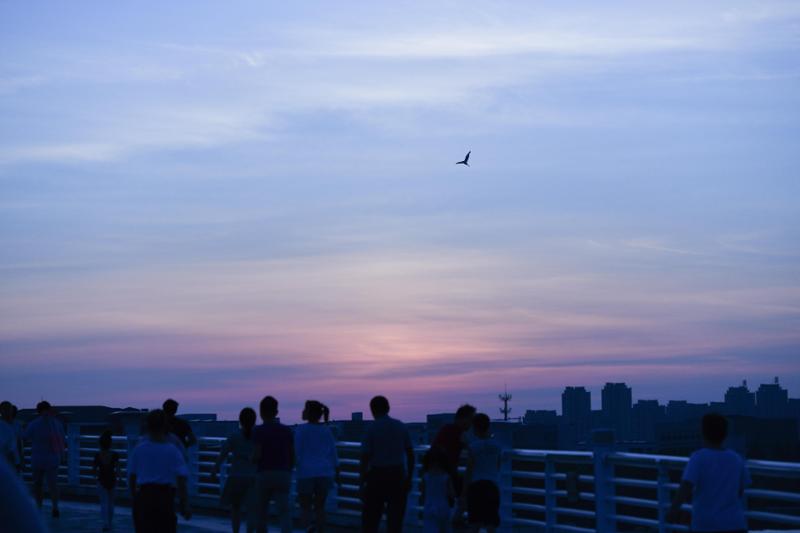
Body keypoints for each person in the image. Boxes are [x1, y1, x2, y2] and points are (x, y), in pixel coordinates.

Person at [667, 413, 750, 532]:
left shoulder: (698, 458)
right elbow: (740, 489)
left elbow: (686, 486)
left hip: (706, 524)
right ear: (725, 434)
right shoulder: (736, 458)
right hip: (735, 524)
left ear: (703, 433)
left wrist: (673, 510)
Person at [128, 409, 191, 533]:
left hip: (144, 496)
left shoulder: (139, 449)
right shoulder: (172, 450)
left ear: (148, 425)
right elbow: (181, 480)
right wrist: (184, 504)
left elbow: (132, 477)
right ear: (164, 426)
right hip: (164, 497)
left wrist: (135, 498)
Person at [360, 395, 415, 533]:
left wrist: (361, 482)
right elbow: (410, 454)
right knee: (395, 520)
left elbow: (365, 457)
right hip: (398, 475)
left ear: (372, 410)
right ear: (388, 408)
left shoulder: (371, 429)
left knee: (371, 520)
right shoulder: (401, 426)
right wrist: (409, 478)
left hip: (376, 476)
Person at [295, 400, 339, 533]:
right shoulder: (326, 430)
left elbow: (296, 452)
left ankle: (307, 528)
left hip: (306, 473)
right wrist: (337, 470)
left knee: (305, 507)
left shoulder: (301, 430)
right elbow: (333, 453)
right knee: (320, 507)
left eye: (305, 409)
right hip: (324, 472)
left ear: (309, 413)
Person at [252, 396, 294, 533]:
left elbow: (257, 454)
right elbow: (292, 454)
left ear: (261, 412)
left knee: (261, 511)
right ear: (276, 412)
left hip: (264, 473)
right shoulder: (286, 430)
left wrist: (251, 460)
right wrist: (289, 469)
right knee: (284, 511)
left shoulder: (258, 431)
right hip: (283, 473)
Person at [214, 407, 258, 533]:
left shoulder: (235, 436)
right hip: (253, 477)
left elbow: (223, 453)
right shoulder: (258, 437)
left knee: (235, 508)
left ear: (240, 420)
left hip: (236, 476)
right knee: (252, 509)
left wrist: (215, 468)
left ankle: (236, 531)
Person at [431, 404, 476, 523]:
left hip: (438, 473)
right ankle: (454, 521)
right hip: (447, 473)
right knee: (466, 495)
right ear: (463, 419)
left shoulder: (446, 429)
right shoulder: (458, 432)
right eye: (471, 419)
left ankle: (453, 521)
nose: (471, 424)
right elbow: (472, 449)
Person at [24, 400, 65, 517]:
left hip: (37, 457)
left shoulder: (34, 423)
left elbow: (25, 437)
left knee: (38, 484)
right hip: (53, 457)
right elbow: (62, 439)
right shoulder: (57, 423)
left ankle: (39, 506)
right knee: (53, 484)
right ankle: (55, 507)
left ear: (38, 411)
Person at [464, 413, 501, 533]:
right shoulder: (497, 446)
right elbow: (497, 466)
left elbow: (469, 470)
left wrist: (464, 491)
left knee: (474, 524)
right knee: (491, 524)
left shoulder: (473, 447)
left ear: (475, 428)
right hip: (492, 486)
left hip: (476, 486)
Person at [421, 447, 454, 533]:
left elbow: (423, 494)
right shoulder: (446, 476)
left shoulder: (425, 476)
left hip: (429, 506)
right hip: (443, 506)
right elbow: (451, 494)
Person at [93, 430, 120, 532]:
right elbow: (118, 468)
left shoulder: (97, 455)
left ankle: (105, 524)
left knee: (104, 503)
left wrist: (95, 477)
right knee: (111, 503)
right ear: (110, 443)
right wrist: (119, 478)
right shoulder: (115, 455)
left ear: (100, 444)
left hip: (101, 480)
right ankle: (110, 522)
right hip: (112, 479)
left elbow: (94, 469)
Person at [0, 401, 20, 470]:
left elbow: (18, 442)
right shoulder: (2, 425)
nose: (7, 411)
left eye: (9, 409)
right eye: (5, 409)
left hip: (14, 460)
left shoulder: (17, 424)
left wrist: (20, 459)